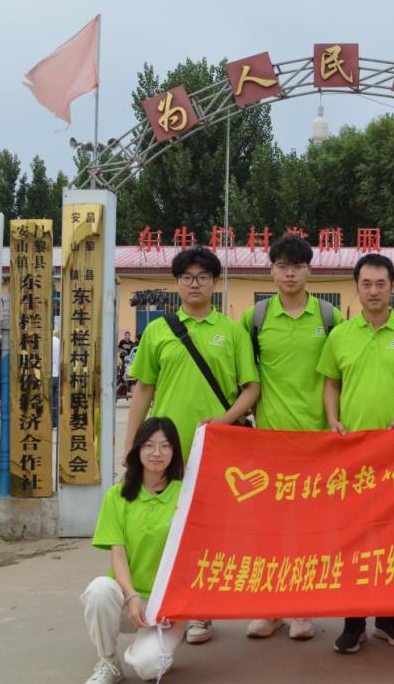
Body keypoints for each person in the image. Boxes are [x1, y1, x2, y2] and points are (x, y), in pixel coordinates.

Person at [125, 246, 259, 645]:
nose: (194, 284)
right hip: (165, 450)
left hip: (217, 449)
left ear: (214, 283)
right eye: (187, 277)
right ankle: (165, 602)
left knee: (209, 529)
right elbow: (143, 388)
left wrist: (224, 421)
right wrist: (132, 444)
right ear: (177, 283)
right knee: (167, 528)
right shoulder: (158, 331)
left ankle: (201, 611)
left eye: (202, 277)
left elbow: (251, 388)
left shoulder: (232, 331)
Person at [317, 252, 394, 654]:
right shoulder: (340, 335)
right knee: (353, 537)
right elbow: (331, 382)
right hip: (352, 454)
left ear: (393, 287)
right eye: (366, 284)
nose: (373, 291)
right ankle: (353, 623)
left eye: (380, 284)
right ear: (356, 287)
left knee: (393, 538)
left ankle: (387, 619)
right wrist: (333, 420)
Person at [240, 233, 342, 642]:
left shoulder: (329, 317)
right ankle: (271, 609)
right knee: (271, 529)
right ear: (271, 271)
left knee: (310, 529)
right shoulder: (255, 318)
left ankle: (303, 608)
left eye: (297, 266)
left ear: (309, 271)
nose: (289, 273)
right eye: (282, 266)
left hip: (318, 441)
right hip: (270, 442)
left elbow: (340, 376)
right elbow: (243, 377)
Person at [80, 417, 185, 684]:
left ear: (174, 452)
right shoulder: (117, 496)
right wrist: (131, 596)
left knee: (148, 668)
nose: (156, 453)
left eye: (165, 446)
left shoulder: (187, 495)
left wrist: (176, 604)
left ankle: (155, 649)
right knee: (99, 590)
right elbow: (118, 553)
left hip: (168, 606)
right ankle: (109, 662)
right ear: (137, 449)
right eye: (149, 445)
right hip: (128, 599)